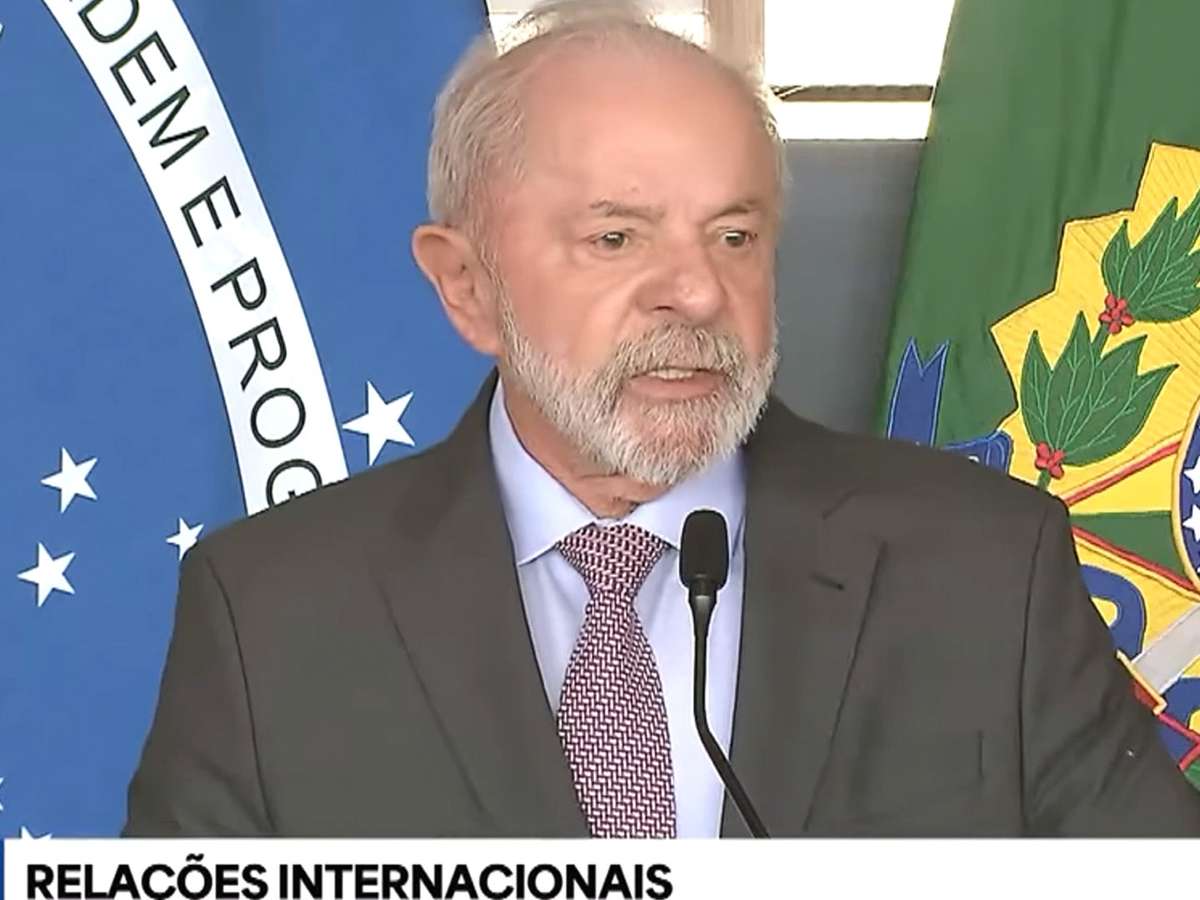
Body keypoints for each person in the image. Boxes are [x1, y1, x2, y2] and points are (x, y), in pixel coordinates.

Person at [123, 0, 1200, 837]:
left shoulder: (986, 568)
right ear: (466, 285)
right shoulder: (271, 612)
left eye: (734, 237)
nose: (694, 291)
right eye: (616, 239)